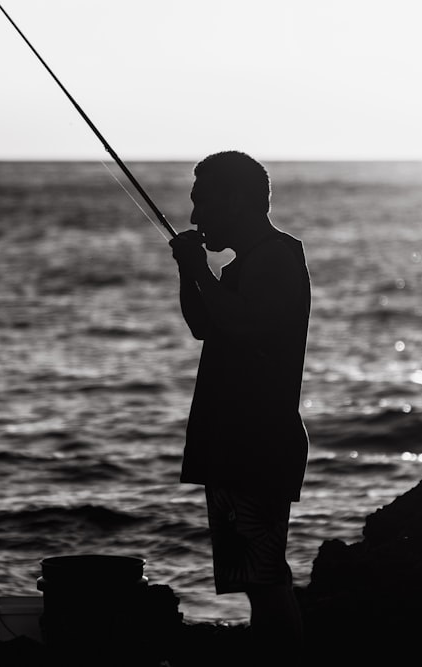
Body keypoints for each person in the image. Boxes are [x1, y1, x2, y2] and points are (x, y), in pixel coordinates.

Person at [169, 151, 311, 664]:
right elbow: (206, 325)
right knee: (255, 580)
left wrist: (198, 270)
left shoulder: (276, 256)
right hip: (234, 445)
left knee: (266, 579)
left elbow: (245, 325)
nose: (194, 218)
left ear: (234, 199)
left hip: (257, 444)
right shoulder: (244, 264)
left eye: (201, 202)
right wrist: (192, 273)